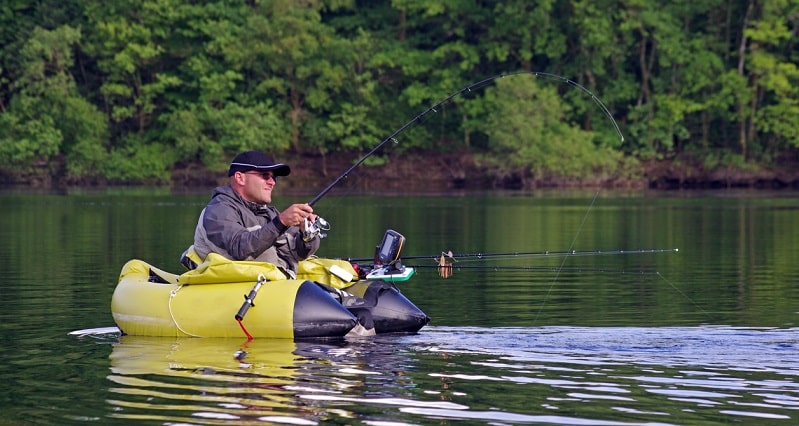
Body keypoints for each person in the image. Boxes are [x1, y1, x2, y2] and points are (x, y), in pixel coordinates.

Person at [187, 150, 321, 278]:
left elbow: (299, 252)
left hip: (275, 283)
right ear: (240, 178)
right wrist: (281, 222)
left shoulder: (268, 212)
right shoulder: (218, 210)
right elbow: (239, 248)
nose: (272, 182)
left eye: (274, 177)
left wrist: (307, 234)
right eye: (265, 176)